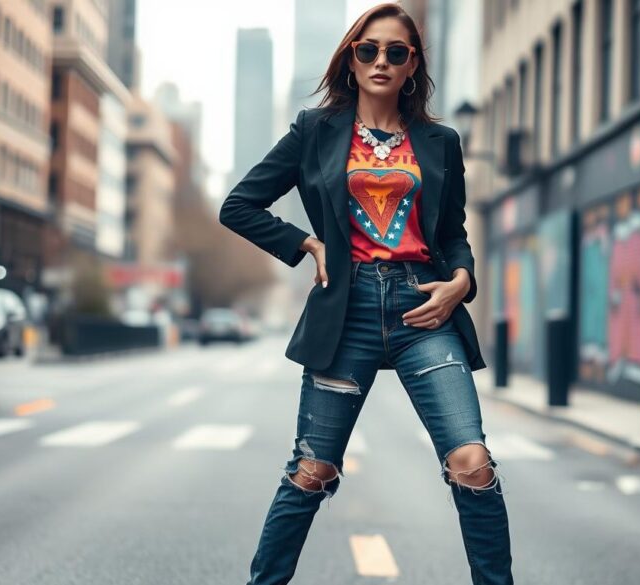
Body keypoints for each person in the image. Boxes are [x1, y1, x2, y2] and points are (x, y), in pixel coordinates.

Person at [218, 3, 514, 583]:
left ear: (412, 67)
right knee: (312, 470)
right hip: (346, 311)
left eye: (396, 52)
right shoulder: (315, 131)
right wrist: (307, 243)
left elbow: (452, 236)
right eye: (368, 49)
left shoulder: (441, 141)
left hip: (423, 312)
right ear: (350, 61)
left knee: (473, 463)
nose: (381, 60)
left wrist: (461, 283)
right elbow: (238, 206)